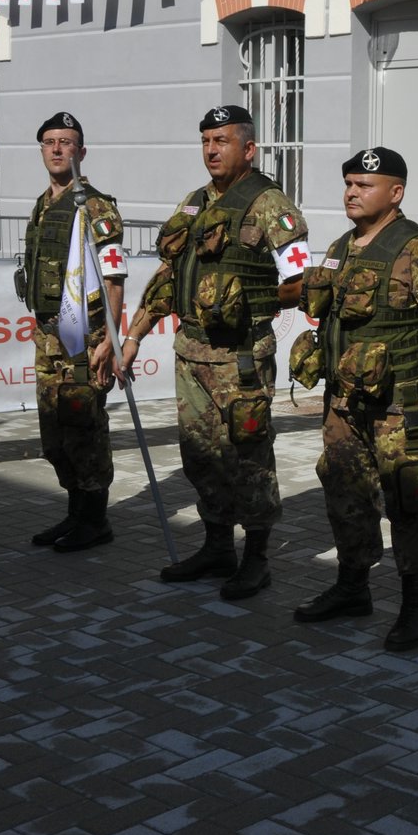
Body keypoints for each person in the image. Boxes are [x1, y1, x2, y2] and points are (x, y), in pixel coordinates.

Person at [120, 105, 311, 601]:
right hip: (191, 352)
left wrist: (250, 304)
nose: (211, 150)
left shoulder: (269, 204)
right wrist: (135, 334)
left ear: (248, 148)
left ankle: (257, 557)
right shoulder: (194, 203)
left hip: (240, 357)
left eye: (222, 140)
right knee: (201, 457)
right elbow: (168, 277)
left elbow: (302, 281)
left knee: (247, 457)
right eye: (206, 140)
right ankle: (217, 547)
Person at [290, 147, 418, 650]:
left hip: (398, 404)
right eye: (348, 182)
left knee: (409, 500)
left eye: (365, 185)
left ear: (396, 193)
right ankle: (353, 587)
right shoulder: (340, 247)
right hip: (343, 402)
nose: (352, 191)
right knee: (345, 492)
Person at [19, 111, 128, 553]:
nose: (58, 149)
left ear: (81, 151)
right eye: (50, 142)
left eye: (67, 142)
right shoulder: (43, 204)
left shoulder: (95, 206)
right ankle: (74, 513)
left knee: (84, 429)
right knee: (55, 436)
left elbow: (115, 277)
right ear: (43, 149)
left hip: (85, 339)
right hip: (48, 338)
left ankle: (95, 520)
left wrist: (111, 339)